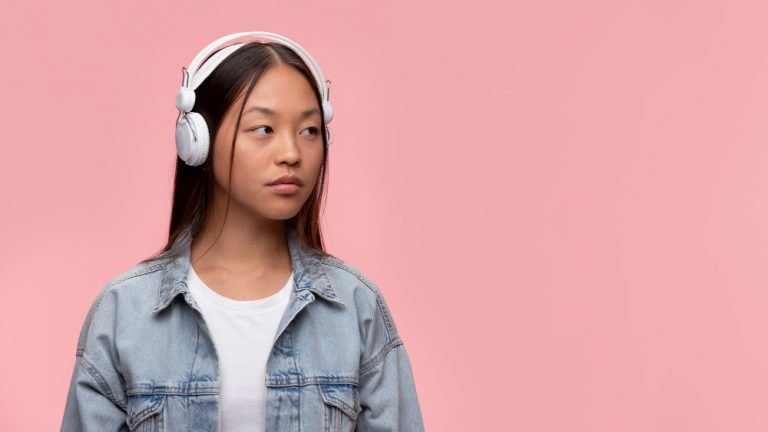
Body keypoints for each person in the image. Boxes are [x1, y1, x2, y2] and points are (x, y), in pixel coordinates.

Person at [60, 31, 425, 432]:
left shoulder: (357, 307)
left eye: (309, 131)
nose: (291, 153)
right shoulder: (124, 312)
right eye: (264, 129)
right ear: (196, 141)